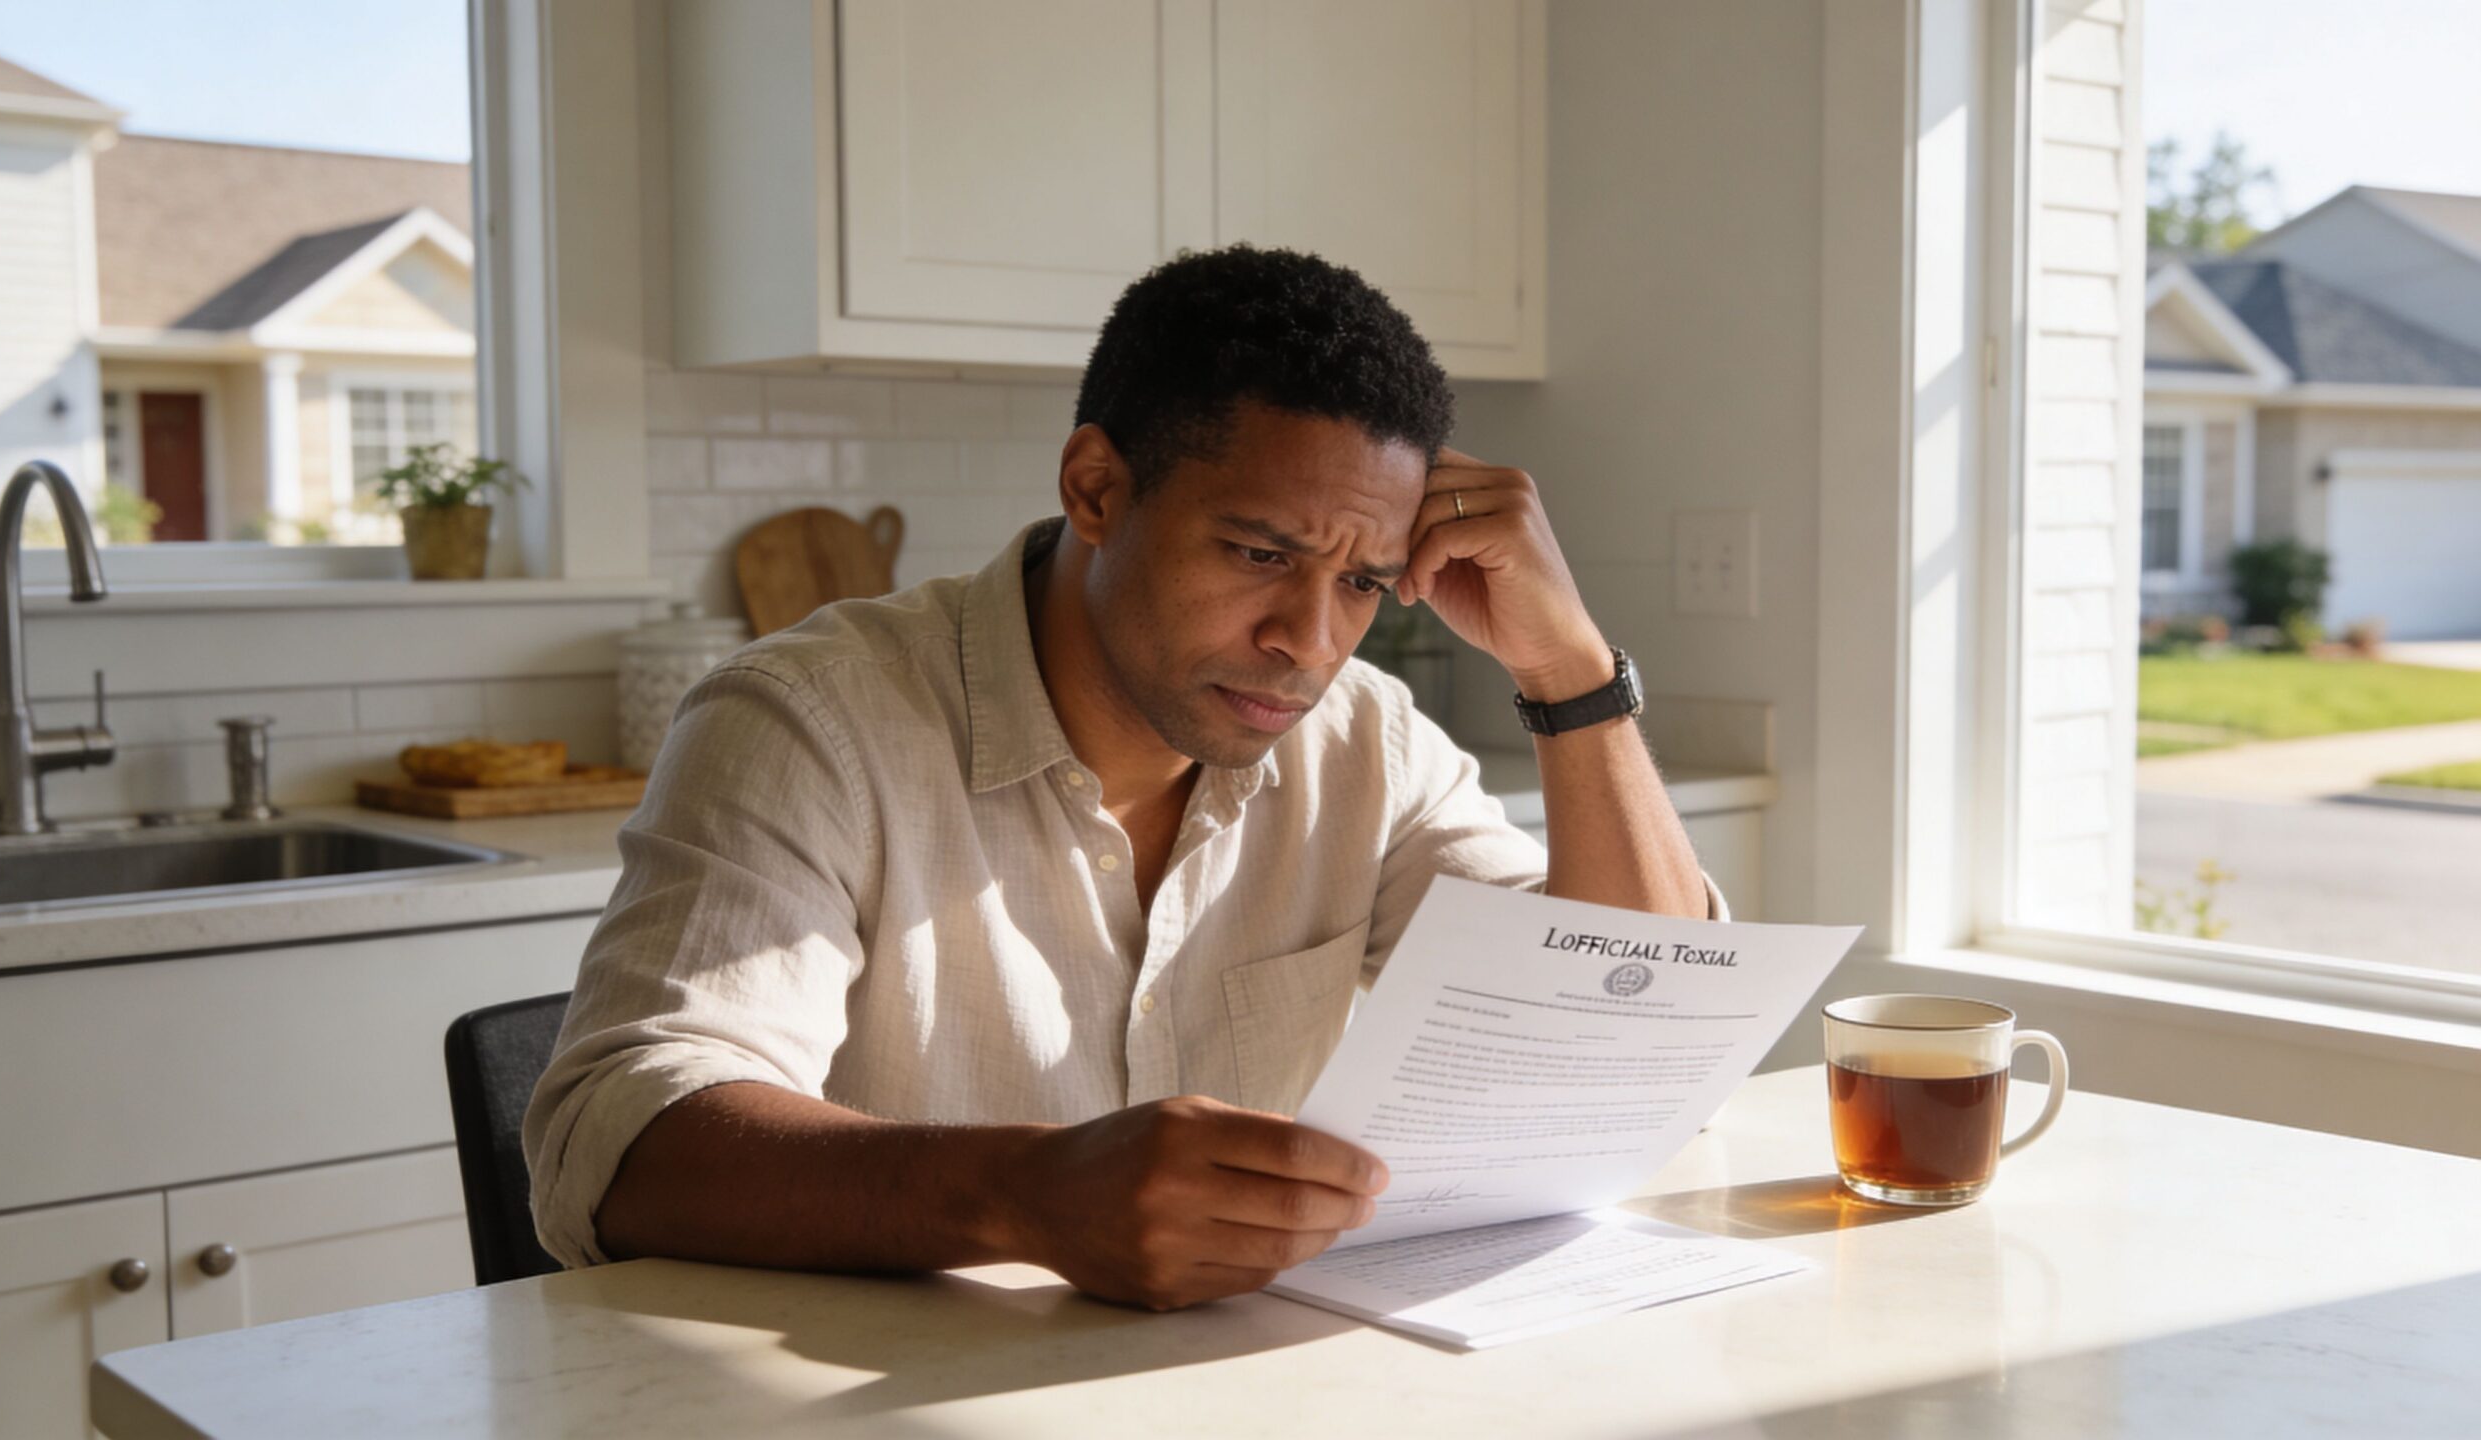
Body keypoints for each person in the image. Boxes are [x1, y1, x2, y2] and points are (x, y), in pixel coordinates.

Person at [523, 243, 1719, 1312]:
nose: (1308, 640)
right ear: (1095, 488)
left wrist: (1568, 671)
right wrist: (1020, 1195)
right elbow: (620, 1138)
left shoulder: (1368, 739)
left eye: (1363, 581)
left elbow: (1636, 1033)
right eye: (1260, 553)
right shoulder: (809, 723)